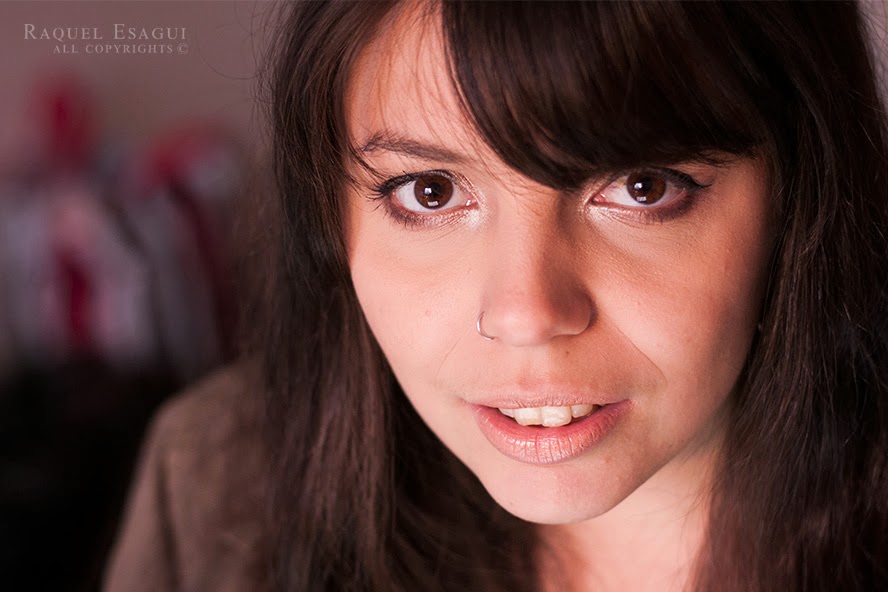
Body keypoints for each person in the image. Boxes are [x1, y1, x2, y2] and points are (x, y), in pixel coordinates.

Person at [104, 2, 888, 591]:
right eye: (431, 191)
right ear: (330, 216)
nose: (525, 315)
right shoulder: (217, 491)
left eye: (641, 187)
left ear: (800, 193)